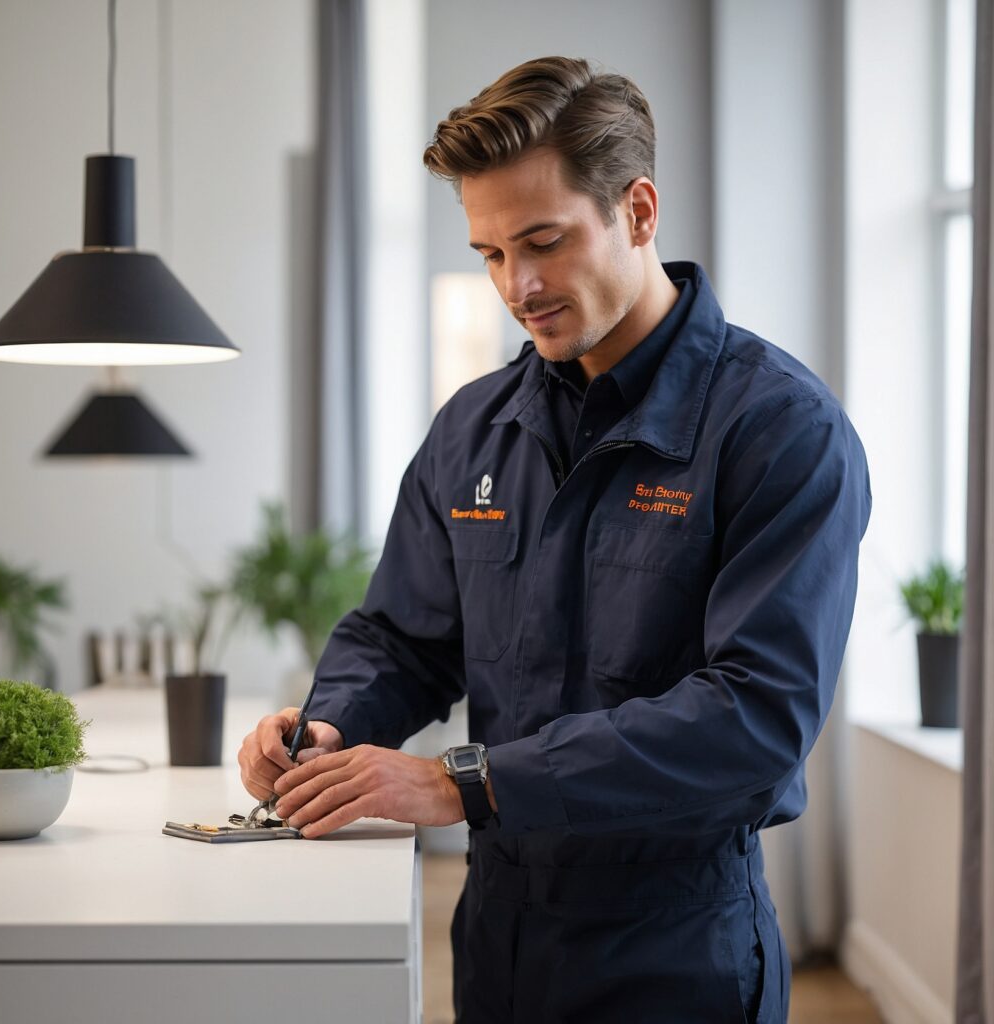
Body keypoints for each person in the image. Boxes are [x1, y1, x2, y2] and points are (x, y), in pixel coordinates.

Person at [238, 55, 871, 1023]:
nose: (517, 286)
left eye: (543, 241)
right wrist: (328, 725)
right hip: (497, 942)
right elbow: (401, 636)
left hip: (676, 958)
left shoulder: (780, 429)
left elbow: (753, 720)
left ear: (639, 210)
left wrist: (468, 782)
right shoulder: (471, 429)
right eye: (489, 253)